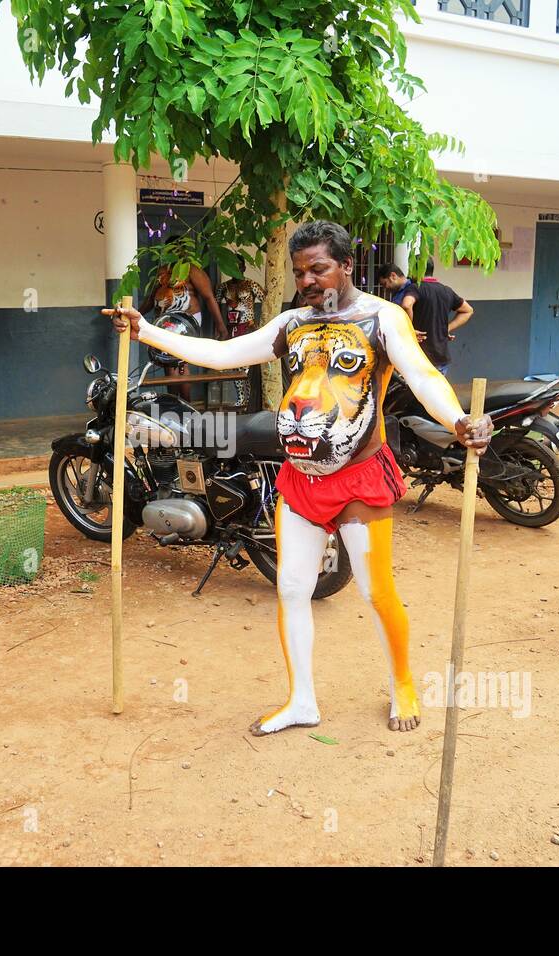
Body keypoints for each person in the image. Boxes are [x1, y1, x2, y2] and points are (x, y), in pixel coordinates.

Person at [105, 220, 492, 737]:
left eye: (319, 269)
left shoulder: (383, 319)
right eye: (299, 272)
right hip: (301, 479)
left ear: (347, 266)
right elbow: (225, 354)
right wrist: (145, 331)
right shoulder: (291, 324)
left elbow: (422, 376)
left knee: (376, 592)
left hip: (358, 476)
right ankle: (301, 700)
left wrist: (458, 421)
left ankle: (402, 682)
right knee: (291, 589)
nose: (307, 281)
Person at [141, 263, 227, 401]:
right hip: (166, 320)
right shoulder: (163, 270)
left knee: (178, 362)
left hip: (186, 320)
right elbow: (151, 298)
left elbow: (208, 297)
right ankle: (177, 402)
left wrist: (221, 326)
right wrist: (138, 314)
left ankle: (181, 402)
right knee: (169, 363)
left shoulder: (191, 270)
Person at [216, 261, 266, 409]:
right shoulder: (224, 287)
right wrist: (219, 328)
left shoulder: (251, 284)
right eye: (232, 265)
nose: (235, 269)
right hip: (232, 328)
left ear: (243, 268)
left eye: (238, 266)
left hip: (248, 327)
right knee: (236, 365)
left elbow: (266, 300)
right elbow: (215, 302)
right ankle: (241, 399)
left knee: (248, 366)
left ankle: (251, 399)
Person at [411, 260, 473, 376]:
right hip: (440, 356)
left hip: (419, 356)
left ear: (417, 270)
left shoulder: (415, 288)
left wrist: (409, 330)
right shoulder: (446, 290)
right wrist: (447, 328)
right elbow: (468, 310)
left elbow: (406, 304)